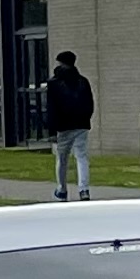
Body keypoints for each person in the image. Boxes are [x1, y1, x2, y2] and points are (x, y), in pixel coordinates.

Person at [45, 50, 95, 202]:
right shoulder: (83, 81)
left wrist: (52, 129)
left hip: (63, 126)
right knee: (82, 157)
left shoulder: (54, 83)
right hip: (81, 124)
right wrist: (86, 119)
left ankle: (62, 189)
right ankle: (84, 189)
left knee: (62, 158)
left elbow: (52, 107)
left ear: (60, 63)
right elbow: (90, 103)